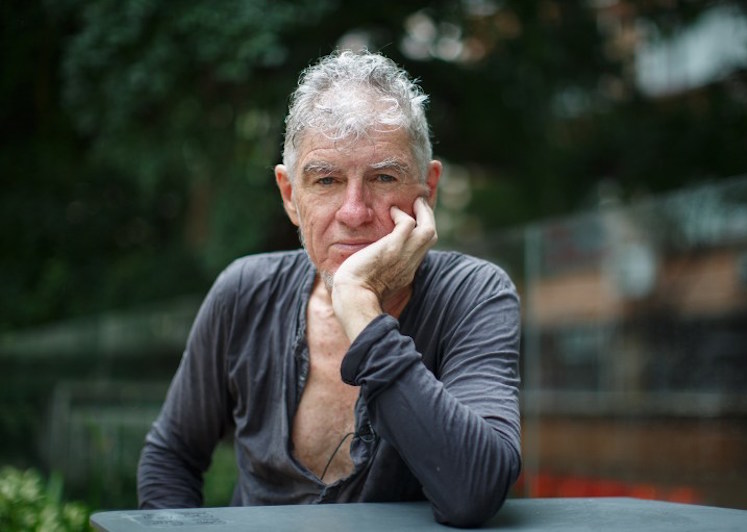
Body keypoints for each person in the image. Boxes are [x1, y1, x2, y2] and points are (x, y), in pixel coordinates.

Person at [137, 49, 521, 527]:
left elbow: (474, 491)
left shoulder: (474, 295)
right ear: (290, 195)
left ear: (429, 189)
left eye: (383, 177)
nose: (354, 211)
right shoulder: (244, 292)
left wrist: (360, 305)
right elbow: (171, 454)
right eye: (327, 180)